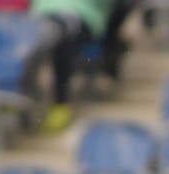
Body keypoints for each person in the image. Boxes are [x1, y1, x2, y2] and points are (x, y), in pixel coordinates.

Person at [29, 0, 116, 132]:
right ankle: (19, 97)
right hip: (42, 17)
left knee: (63, 39)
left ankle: (60, 104)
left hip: (80, 18)